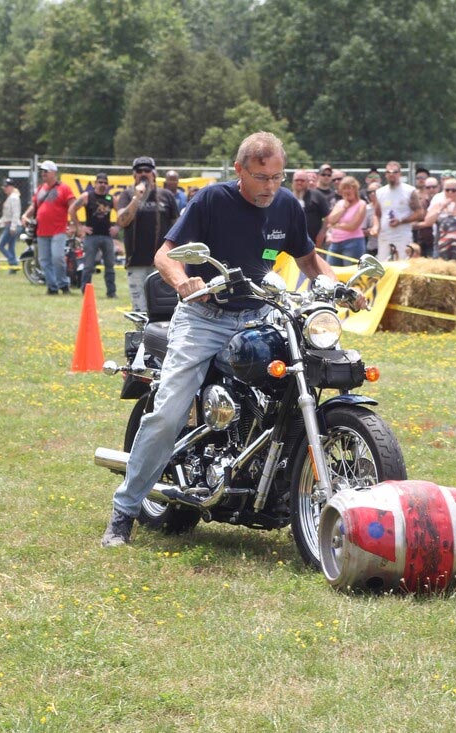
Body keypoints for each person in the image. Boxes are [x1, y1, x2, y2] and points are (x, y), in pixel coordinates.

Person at [101, 131, 362, 547]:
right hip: (205, 315)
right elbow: (165, 255)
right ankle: (124, 510)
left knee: (294, 380)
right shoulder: (211, 201)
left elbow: (308, 258)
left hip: (260, 311)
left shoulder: (287, 206)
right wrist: (183, 283)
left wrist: (339, 287)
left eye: (277, 177)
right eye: (261, 177)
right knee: (169, 411)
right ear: (239, 170)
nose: (270, 187)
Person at [117, 156, 180, 311]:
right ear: (134, 174)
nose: (143, 173)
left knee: (164, 308)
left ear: (154, 173)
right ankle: (141, 335)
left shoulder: (166, 195)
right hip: (136, 262)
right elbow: (122, 221)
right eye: (139, 171)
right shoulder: (127, 195)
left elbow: (177, 227)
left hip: (162, 263)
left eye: (147, 170)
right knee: (140, 310)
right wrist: (136, 198)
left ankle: (159, 336)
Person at [21, 160, 75, 295]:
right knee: (44, 260)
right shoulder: (40, 189)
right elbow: (34, 206)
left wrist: (74, 224)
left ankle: (63, 284)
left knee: (57, 258)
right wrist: (25, 215)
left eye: (46, 171)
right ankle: (52, 287)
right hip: (42, 231)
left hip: (58, 230)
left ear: (54, 173)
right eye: (42, 171)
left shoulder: (64, 188)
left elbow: (73, 206)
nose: (43, 174)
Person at [68, 172, 119, 298]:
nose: (102, 185)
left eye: (105, 183)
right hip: (91, 236)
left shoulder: (111, 199)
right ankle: (85, 291)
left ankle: (111, 292)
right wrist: (80, 226)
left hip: (107, 236)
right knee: (88, 265)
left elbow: (122, 213)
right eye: (100, 182)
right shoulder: (87, 196)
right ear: (95, 184)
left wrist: (117, 226)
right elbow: (72, 209)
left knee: (110, 266)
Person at [374, 161, 423, 262]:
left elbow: (419, 213)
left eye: (395, 172)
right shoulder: (380, 192)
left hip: (402, 235)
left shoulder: (409, 191)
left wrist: (400, 221)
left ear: (400, 174)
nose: (392, 174)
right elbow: (377, 214)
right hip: (384, 236)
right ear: (385, 174)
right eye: (389, 172)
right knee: (383, 265)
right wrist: (375, 227)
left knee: (403, 264)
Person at [420, 177, 456, 264]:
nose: (450, 192)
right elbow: (428, 222)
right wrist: (441, 208)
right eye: (447, 190)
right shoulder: (437, 205)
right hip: (442, 249)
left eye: (454, 190)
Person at [324, 176, 367, 267]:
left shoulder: (361, 204)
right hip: (335, 243)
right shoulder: (340, 204)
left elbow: (353, 226)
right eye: (344, 188)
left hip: (353, 243)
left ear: (355, 189)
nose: (346, 191)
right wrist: (344, 208)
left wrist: (336, 225)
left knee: (350, 274)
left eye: (349, 188)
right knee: (332, 272)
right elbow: (330, 219)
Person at [291, 169, 330, 248]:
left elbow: (327, 218)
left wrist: (321, 234)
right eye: (297, 180)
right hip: (292, 241)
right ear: (292, 182)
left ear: (307, 182)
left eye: (302, 180)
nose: (299, 182)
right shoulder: (288, 197)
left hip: (314, 242)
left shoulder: (317, 195)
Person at [0, 178, 22, 272]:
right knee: (11, 247)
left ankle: (14, 263)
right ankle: (13, 269)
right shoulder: (10, 197)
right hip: (10, 224)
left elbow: (16, 213)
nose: (5, 188)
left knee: (0, 245)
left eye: (7, 186)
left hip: (13, 225)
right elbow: (6, 216)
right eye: (4, 186)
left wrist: (13, 227)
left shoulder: (14, 197)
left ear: (12, 187)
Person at [412, 176, 439, 258]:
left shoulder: (443, 202)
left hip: (440, 243)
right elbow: (413, 223)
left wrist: (425, 223)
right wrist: (426, 224)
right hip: (424, 243)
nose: (431, 190)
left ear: (439, 187)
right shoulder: (420, 204)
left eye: (434, 187)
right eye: (428, 187)